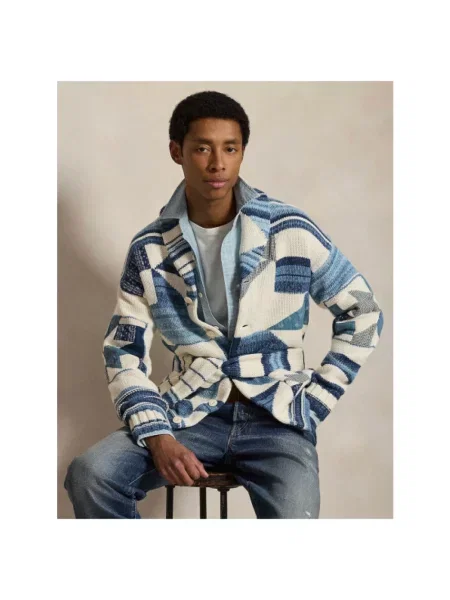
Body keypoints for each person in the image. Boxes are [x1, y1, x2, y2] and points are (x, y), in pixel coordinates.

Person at [64, 90, 384, 518]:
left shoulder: (289, 231)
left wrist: (317, 399)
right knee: (91, 475)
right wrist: (157, 435)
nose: (218, 163)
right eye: (202, 148)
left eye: (230, 149)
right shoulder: (150, 248)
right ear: (177, 152)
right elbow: (123, 351)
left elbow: (363, 312)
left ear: (242, 153)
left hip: (277, 419)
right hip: (188, 415)